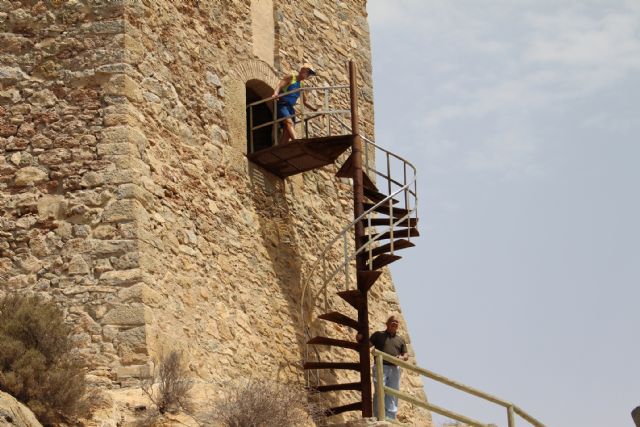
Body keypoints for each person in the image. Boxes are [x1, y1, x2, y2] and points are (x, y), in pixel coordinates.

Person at [357, 315, 409, 421]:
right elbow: (368, 345)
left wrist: (402, 357)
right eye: (392, 321)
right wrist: (361, 339)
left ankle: (390, 419)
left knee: (393, 394)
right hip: (381, 368)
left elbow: (406, 354)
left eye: (396, 322)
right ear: (387, 323)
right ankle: (378, 418)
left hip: (395, 369)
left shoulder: (400, 339)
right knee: (379, 392)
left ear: (398, 325)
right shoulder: (378, 335)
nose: (394, 323)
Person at [271, 63, 318, 145]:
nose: (308, 75)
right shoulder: (291, 77)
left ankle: (282, 149)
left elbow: (305, 101)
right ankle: (297, 143)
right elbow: (279, 85)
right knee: (290, 123)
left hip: (290, 108)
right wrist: (275, 93)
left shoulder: (301, 85)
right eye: (308, 72)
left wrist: (315, 109)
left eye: (309, 73)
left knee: (287, 131)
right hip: (282, 105)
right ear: (303, 70)